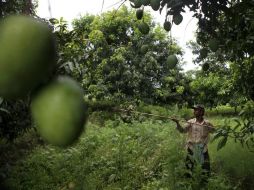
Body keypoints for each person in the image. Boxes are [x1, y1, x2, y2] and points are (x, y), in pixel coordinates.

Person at [172, 104, 215, 179]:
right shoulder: (190, 122)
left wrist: (221, 131)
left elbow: (215, 131)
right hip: (191, 148)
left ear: (202, 112)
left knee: (205, 169)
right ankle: (188, 182)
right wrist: (177, 123)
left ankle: (204, 183)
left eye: (196, 110)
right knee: (189, 168)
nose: (194, 111)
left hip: (202, 149)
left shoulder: (207, 124)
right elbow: (182, 130)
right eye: (194, 110)